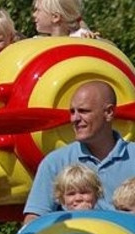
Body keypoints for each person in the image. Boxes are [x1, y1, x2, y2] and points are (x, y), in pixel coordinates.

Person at [23, 80, 135, 223]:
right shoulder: (55, 162)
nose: (75, 118)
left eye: (83, 111)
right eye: (72, 112)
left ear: (108, 112)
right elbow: (34, 219)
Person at [32, 0, 98, 38]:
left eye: (38, 10)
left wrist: (91, 40)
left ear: (55, 17)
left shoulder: (80, 38)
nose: (34, 14)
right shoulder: (39, 40)